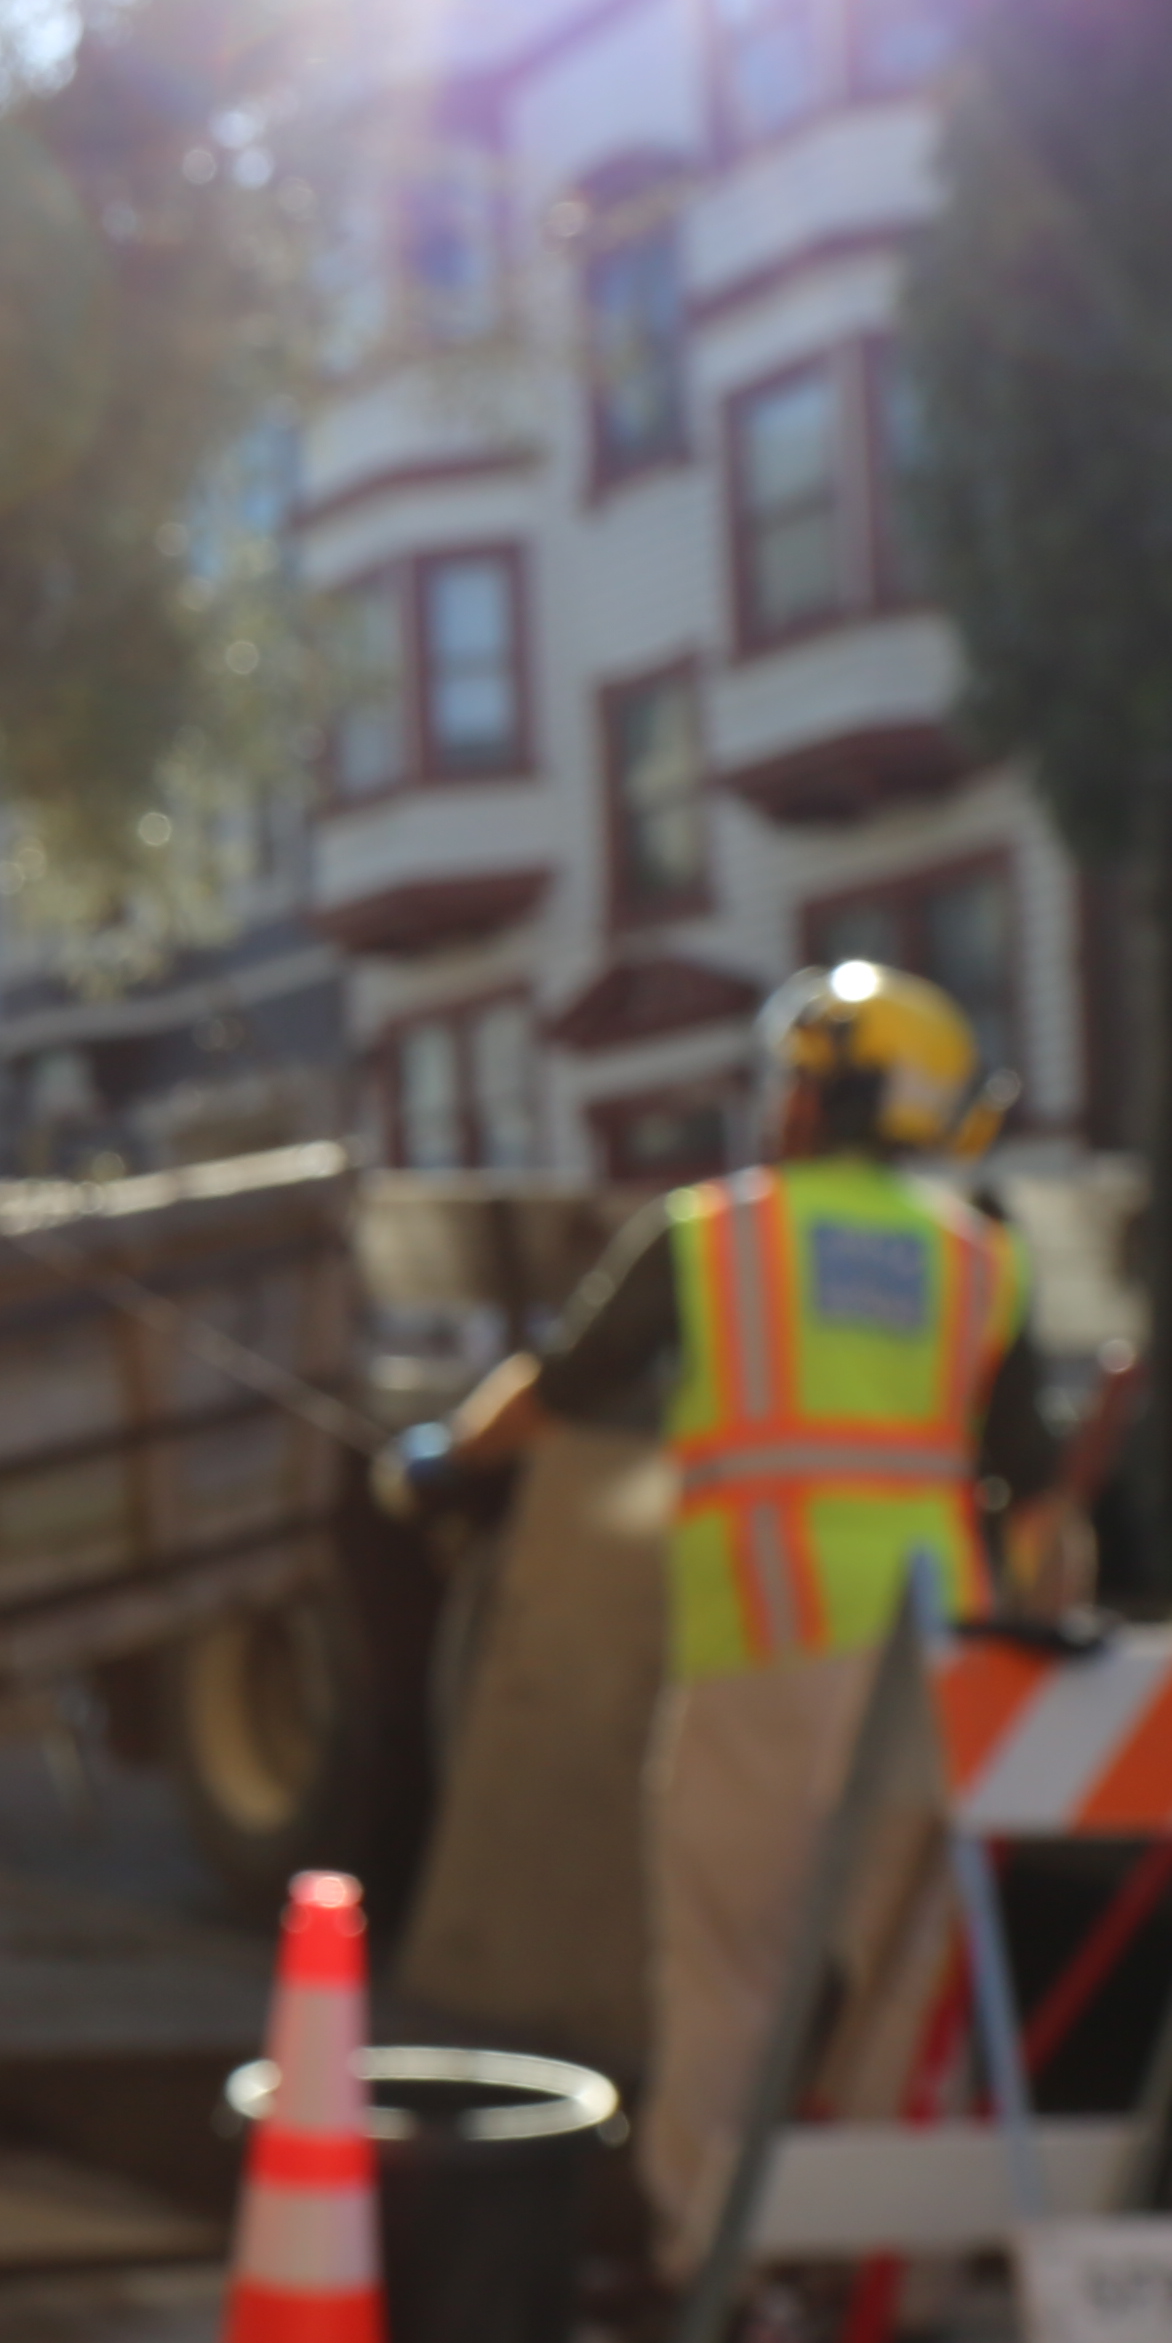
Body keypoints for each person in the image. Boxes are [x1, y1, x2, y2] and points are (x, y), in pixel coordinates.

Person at [444, 964, 1065, 2270]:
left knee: (732, 1970)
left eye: (794, 1073)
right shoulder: (979, 1256)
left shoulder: (712, 1232)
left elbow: (559, 1390)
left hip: (766, 1644)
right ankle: (900, 2294)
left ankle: (713, 2275)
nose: (775, 1099)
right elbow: (1030, 1482)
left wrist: (443, 1457)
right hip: (934, 1657)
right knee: (905, 1976)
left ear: (827, 1091)